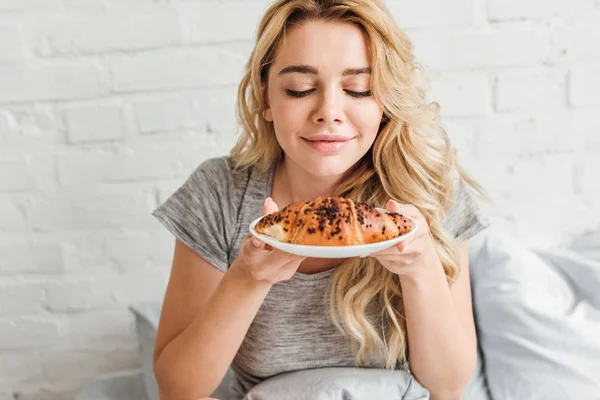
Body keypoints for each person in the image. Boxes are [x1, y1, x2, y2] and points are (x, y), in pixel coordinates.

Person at [151, 0, 491, 399]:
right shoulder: (220, 193)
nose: (329, 112)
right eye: (301, 89)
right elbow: (177, 388)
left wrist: (420, 269)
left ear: (385, 101)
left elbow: (448, 384)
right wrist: (248, 277)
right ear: (265, 97)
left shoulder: (430, 188)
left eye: (358, 89)